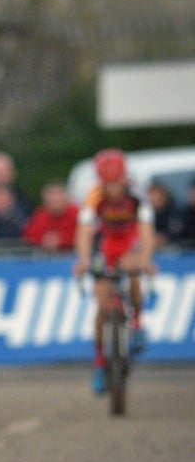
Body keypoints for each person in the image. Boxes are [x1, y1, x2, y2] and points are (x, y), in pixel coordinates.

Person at [72, 148, 156, 395]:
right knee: (101, 302)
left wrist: (146, 258)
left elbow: (146, 231)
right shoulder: (94, 196)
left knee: (133, 272)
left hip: (129, 243)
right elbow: (85, 231)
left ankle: (138, 323)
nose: (112, 188)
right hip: (106, 245)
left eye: (116, 181)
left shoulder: (137, 195)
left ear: (124, 177)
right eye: (107, 183)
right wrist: (84, 259)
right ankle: (100, 362)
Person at [22, 181, 78, 252]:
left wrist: (61, 240)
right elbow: (29, 235)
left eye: (58, 199)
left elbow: (83, 234)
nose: (55, 202)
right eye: (52, 201)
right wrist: (44, 239)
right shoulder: (40, 215)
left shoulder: (76, 214)